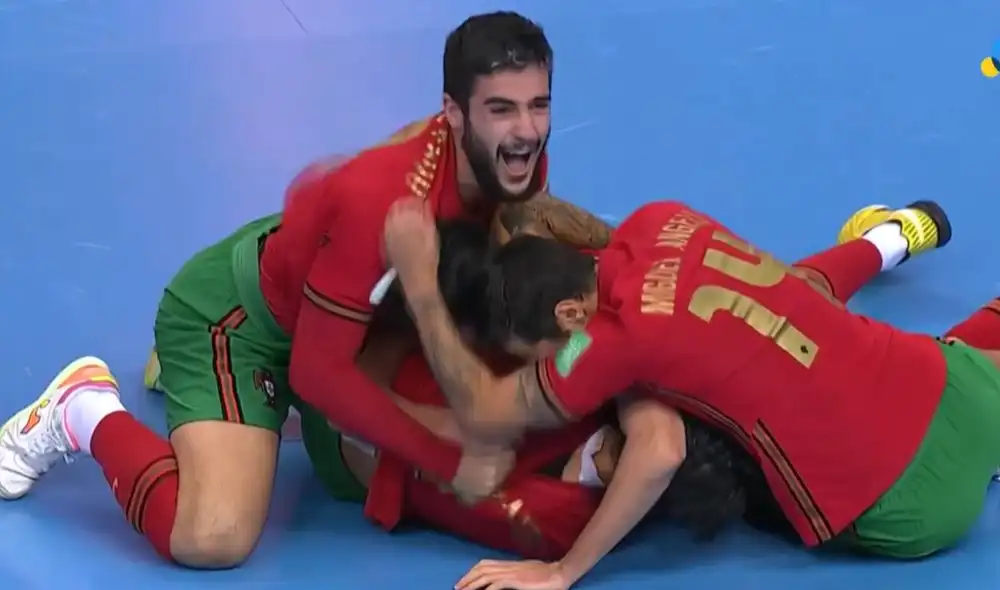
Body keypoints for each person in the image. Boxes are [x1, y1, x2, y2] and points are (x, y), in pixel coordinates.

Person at [0, 11, 614, 569]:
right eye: (502, 109)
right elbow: (321, 373)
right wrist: (446, 459)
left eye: (539, 105)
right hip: (241, 321)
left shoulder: (515, 161)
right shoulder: (387, 204)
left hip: (349, 301)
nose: (528, 130)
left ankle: (238, 403)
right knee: (213, 537)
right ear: (453, 112)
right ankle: (82, 412)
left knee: (489, 400)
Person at [385, 198, 1000, 588]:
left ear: (571, 313)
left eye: (539, 348)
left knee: (715, 467)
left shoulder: (599, 347)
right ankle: (892, 236)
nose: (551, 361)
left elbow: (497, 411)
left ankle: (892, 238)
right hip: (950, 381)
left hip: (905, 508)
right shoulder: (659, 219)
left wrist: (561, 572)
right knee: (797, 289)